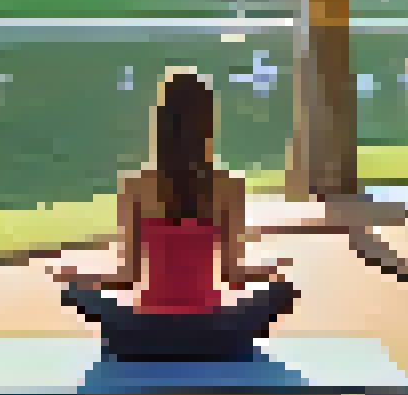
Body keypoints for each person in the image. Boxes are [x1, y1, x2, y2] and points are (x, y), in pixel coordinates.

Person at [48, 70, 298, 360]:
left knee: (76, 291)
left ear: (162, 123)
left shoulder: (136, 185)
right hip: (213, 330)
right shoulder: (229, 186)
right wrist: (271, 271)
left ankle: (139, 345)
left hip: (145, 331)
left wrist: (77, 276)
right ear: (207, 124)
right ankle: (218, 345)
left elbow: (126, 276)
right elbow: (233, 275)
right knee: (284, 291)